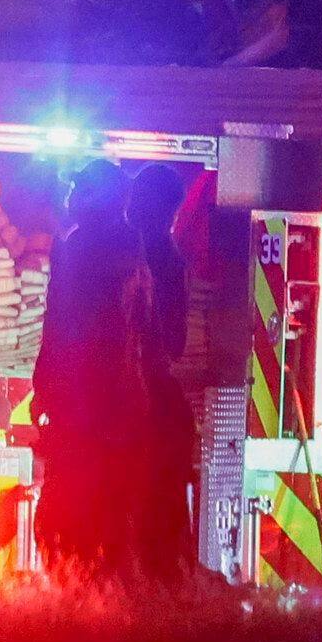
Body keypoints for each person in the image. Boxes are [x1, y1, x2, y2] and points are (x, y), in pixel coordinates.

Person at [31, 165, 156, 578]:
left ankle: (74, 608)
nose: (69, 201)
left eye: (78, 191)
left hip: (80, 406)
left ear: (93, 200)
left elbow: (59, 326)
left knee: (63, 517)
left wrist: (43, 393)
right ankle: (110, 605)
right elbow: (152, 333)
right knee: (116, 514)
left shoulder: (75, 251)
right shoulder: (137, 253)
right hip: (123, 407)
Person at [124, 165, 202, 579]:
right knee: (163, 513)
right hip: (155, 403)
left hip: (112, 403)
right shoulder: (170, 261)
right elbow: (175, 342)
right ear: (172, 210)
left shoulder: (100, 250)